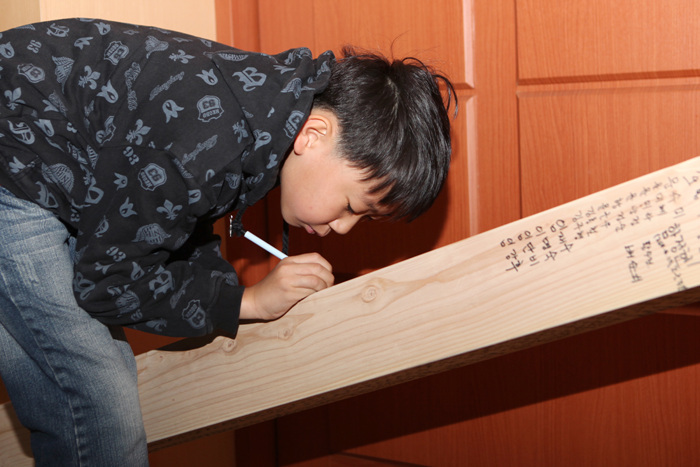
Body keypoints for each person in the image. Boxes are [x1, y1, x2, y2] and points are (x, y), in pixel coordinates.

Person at [0, 17, 456, 465]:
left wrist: (225, 293)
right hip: (14, 158)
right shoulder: (206, 137)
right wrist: (247, 302)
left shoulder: (267, 102)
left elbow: (175, 218)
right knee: (100, 404)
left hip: (37, 146)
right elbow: (108, 285)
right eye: (353, 206)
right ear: (313, 135)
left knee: (64, 378)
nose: (344, 228)